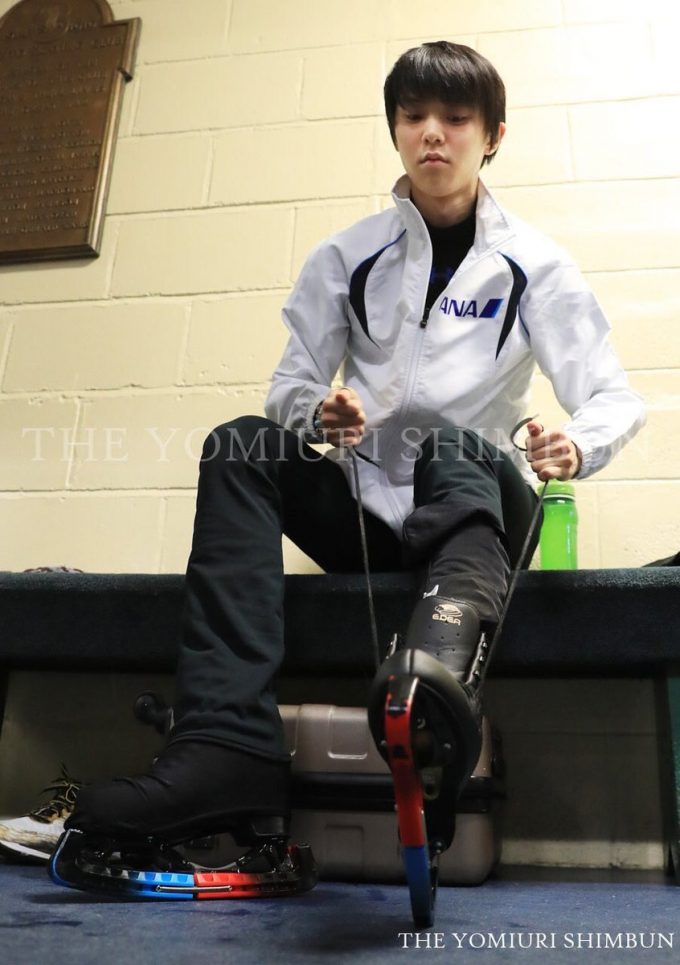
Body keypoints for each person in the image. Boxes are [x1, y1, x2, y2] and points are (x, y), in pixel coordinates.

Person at [66, 42, 645, 851]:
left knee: (452, 446)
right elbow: (290, 386)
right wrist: (321, 415)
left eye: (456, 118)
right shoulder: (346, 256)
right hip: (372, 524)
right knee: (239, 446)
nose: (433, 132)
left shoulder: (536, 265)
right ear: (395, 129)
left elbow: (614, 397)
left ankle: (438, 691)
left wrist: (574, 445)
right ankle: (225, 745)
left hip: (478, 514)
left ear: (493, 136)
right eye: (414, 116)